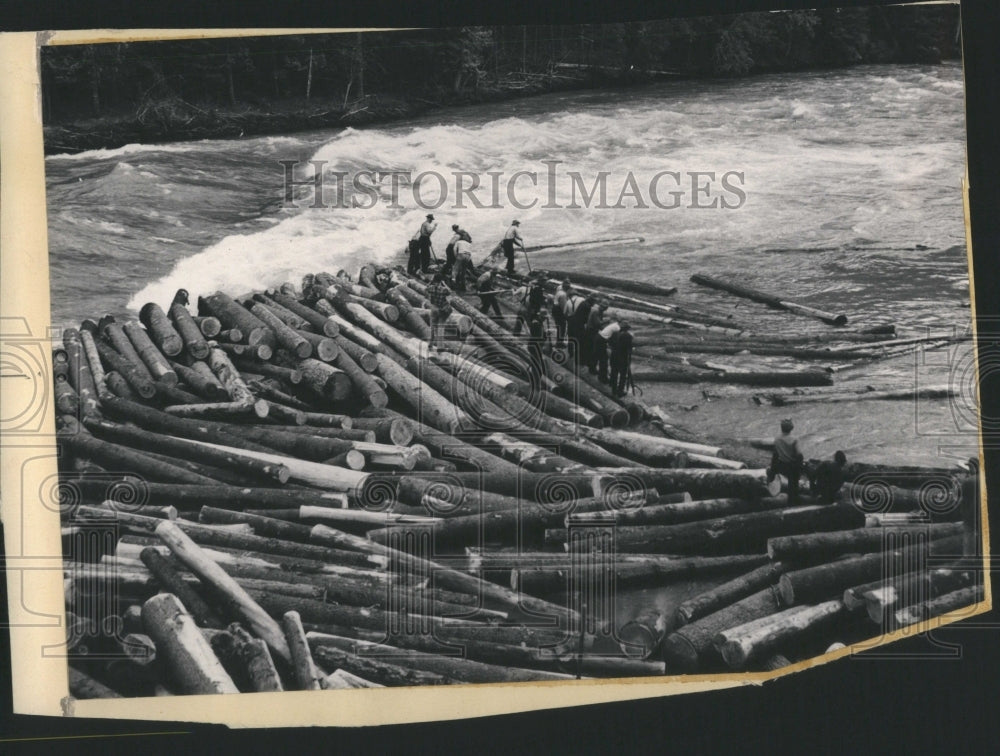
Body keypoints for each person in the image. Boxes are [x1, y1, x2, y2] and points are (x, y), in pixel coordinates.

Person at [769, 419, 804, 505]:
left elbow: (775, 454)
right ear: (791, 428)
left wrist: (773, 468)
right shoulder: (794, 439)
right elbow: (799, 454)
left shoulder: (777, 439)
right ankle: (793, 501)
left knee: (788, 482)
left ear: (782, 428)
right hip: (792, 466)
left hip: (781, 465)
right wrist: (800, 466)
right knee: (793, 484)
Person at [426, 272, 452, 348]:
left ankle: (430, 344)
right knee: (441, 328)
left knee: (432, 327)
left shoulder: (431, 288)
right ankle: (440, 347)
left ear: (434, 280)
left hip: (434, 308)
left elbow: (426, 288)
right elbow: (450, 291)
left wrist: (431, 282)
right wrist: (444, 284)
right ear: (441, 281)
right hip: (442, 310)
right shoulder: (444, 289)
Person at [609, 321, 633, 397]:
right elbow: (629, 348)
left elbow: (610, 343)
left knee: (614, 373)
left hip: (614, 355)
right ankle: (620, 392)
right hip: (622, 357)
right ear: (627, 329)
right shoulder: (628, 336)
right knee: (623, 375)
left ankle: (613, 390)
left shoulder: (615, 333)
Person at [585, 302, 609, 376]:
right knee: (593, 350)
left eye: (605, 308)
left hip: (593, 330)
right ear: (600, 306)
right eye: (603, 308)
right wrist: (606, 321)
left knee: (592, 349)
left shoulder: (599, 312)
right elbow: (597, 323)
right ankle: (591, 368)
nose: (603, 309)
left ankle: (590, 365)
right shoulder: (596, 312)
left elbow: (599, 325)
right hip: (591, 331)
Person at [594, 316, 620, 384]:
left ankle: (600, 375)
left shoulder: (614, 325)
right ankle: (603, 378)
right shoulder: (617, 328)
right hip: (601, 340)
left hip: (600, 338)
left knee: (601, 358)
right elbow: (616, 339)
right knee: (603, 360)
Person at [552, 280, 571, 346]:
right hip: (559, 312)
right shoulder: (563, 295)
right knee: (562, 327)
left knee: (559, 327)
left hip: (555, 310)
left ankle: (559, 342)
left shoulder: (559, 291)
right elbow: (564, 307)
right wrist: (567, 316)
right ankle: (559, 343)